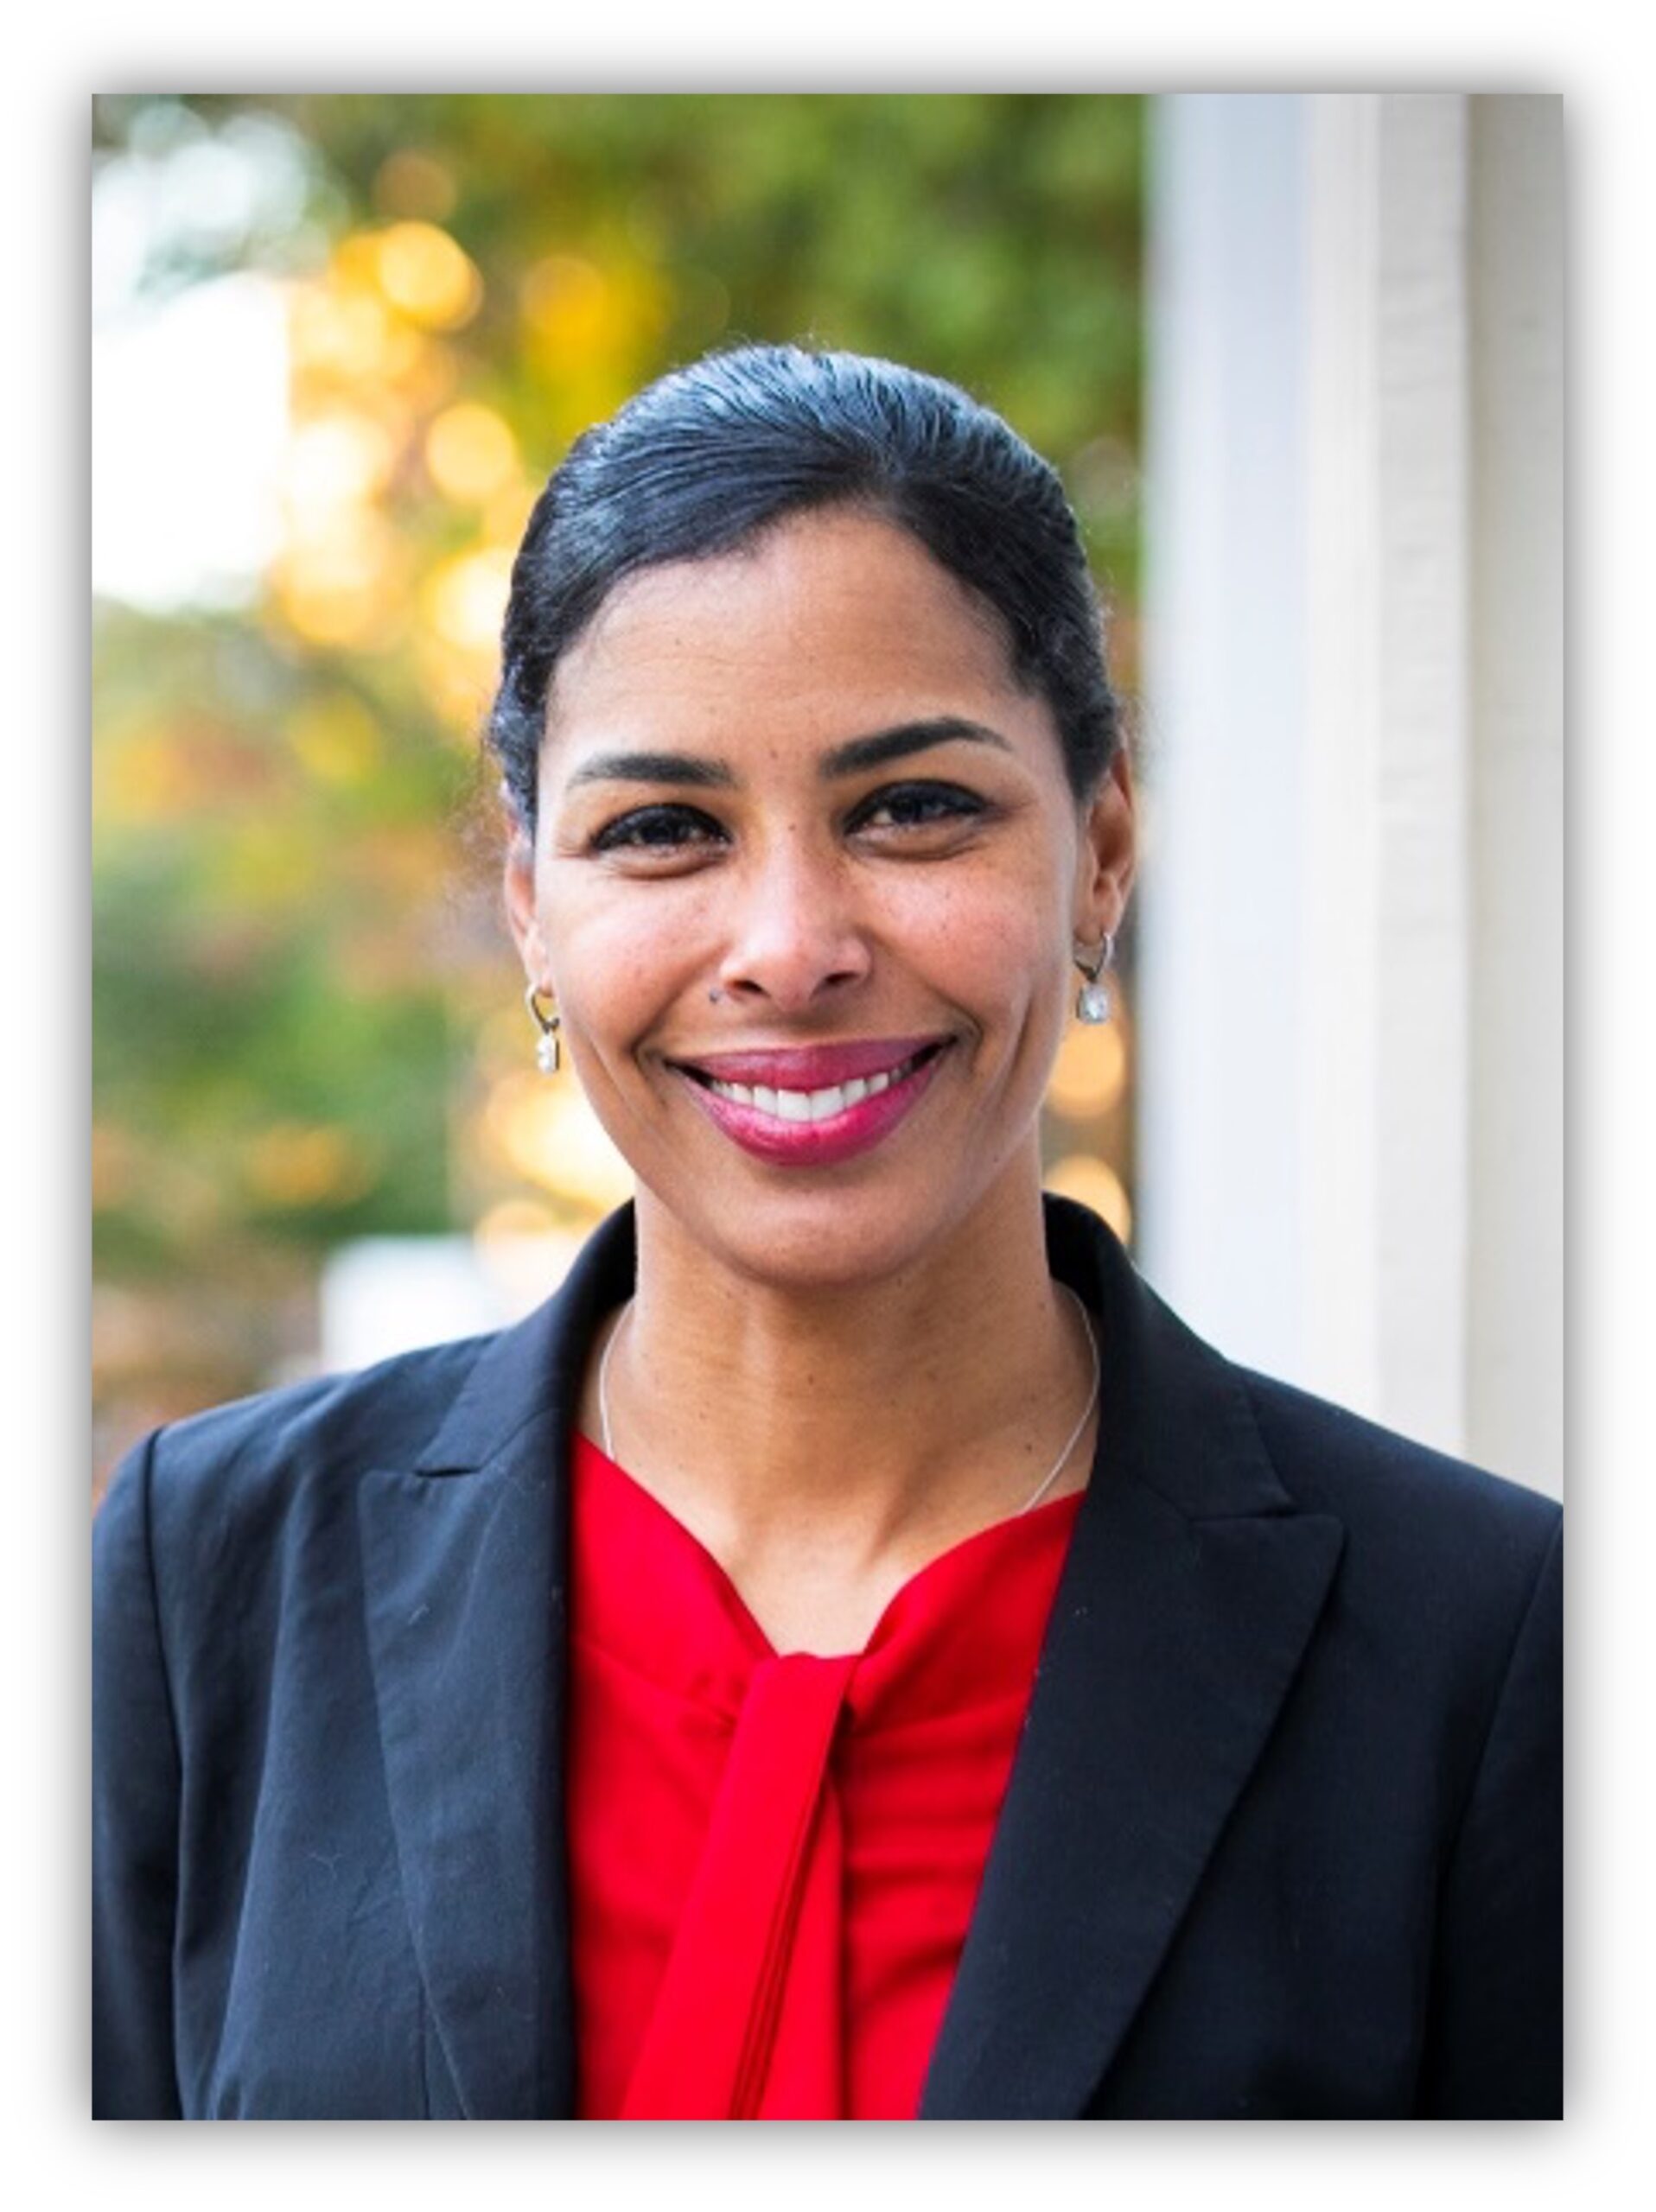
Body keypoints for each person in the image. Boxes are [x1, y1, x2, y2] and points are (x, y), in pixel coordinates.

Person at [92, 344, 1562, 2120]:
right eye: (661, 829)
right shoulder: (210, 1574)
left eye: (912, 807)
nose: (790, 943)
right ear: (531, 909)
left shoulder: (1495, 1646)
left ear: (1097, 851)